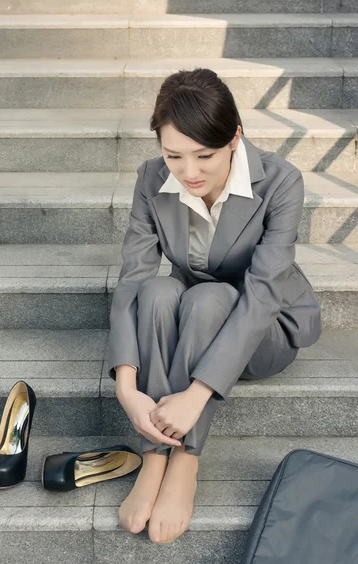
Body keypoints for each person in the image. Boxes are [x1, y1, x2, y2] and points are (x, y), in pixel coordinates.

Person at [107, 68, 322, 544]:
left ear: (234, 138)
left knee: (209, 297)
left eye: (204, 154)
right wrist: (126, 386)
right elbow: (133, 280)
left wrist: (195, 396)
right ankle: (154, 454)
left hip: (265, 328)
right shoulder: (151, 179)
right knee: (158, 292)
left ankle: (182, 459)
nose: (189, 172)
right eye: (174, 156)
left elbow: (262, 294)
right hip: (191, 319)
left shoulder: (280, 182)